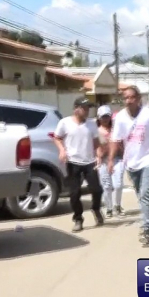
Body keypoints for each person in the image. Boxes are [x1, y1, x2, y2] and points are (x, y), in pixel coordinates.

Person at [108, 86, 149, 244]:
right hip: (131, 162)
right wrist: (110, 160)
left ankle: (147, 229)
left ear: (138, 98)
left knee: (145, 193)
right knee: (141, 196)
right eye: (125, 98)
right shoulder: (120, 117)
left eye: (131, 97)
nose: (128, 101)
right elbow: (115, 140)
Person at [53, 97, 104, 232]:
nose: (87, 111)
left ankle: (96, 209)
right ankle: (78, 219)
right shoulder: (65, 123)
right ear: (76, 109)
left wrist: (99, 154)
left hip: (89, 161)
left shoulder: (92, 123)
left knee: (97, 189)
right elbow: (57, 138)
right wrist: (62, 150)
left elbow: (96, 142)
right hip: (73, 162)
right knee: (74, 193)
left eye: (88, 108)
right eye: (84, 108)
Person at [96, 105, 125, 218]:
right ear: (99, 118)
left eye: (107, 116)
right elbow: (96, 150)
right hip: (103, 161)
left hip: (117, 160)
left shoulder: (116, 130)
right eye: (103, 117)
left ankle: (117, 205)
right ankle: (109, 208)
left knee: (118, 185)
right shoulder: (96, 132)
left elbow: (122, 145)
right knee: (106, 186)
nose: (105, 119)